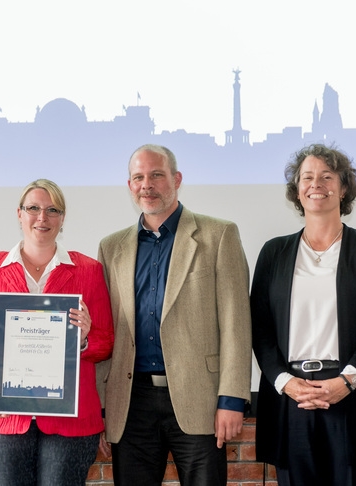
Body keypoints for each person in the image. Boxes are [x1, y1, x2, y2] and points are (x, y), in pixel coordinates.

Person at [97, 144, 252, 486]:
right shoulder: (112, 248)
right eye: (138, 177)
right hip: (131, 405)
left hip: (201, 401)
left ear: (176, 179)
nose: (147, 185)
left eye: (156, 175)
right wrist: (101, 411)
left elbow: (236, 326)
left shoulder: (218, 235)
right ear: (129, 185)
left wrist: (232, 399)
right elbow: (106, 334)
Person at [251, 144, 356, 485]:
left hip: (350, 397)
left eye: (327, 177)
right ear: (297, 190)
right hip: (292, 399)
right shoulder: (274, 253)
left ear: (343, 188)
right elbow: (260, 328)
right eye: (307, 177)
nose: (316, 184)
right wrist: (285, 383)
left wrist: (346, 381)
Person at [0, 179, 114, 486]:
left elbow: (107, 341)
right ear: (19, 214)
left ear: (63, 218)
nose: (42, 217)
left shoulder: (89, 271)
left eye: (52, 210)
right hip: (2, 418)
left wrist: (84, 340)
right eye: (33, 208)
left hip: (71, 419)